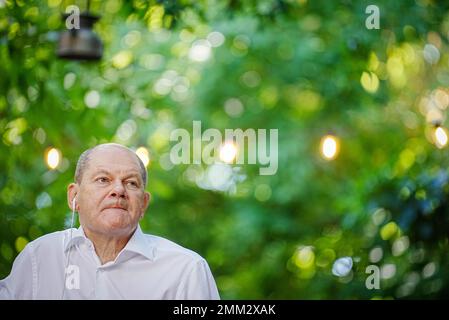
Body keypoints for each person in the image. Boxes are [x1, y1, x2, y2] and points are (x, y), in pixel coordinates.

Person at [0, 143, 220, 299]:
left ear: (143, 204)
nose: (118, 190)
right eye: (103, 179)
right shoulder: (39, 257)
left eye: (131, 183)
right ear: (73, 197)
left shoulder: (186, 270)